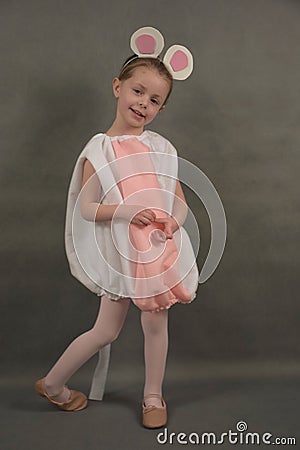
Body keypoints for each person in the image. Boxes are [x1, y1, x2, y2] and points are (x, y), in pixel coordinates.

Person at [35, 27, 199, 429]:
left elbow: (178, 199)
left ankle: (152, 396)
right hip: (121, 253)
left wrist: (172, 223)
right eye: (138, 91)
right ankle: (54, 383)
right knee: (105, 330)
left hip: (154, 251)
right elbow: (89, 208)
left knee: (155, 321)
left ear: (162, 110)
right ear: (117, 87)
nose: (144, 104)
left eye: (155, 100)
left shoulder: (162, 149)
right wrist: (127, 212)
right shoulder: (100, 149)